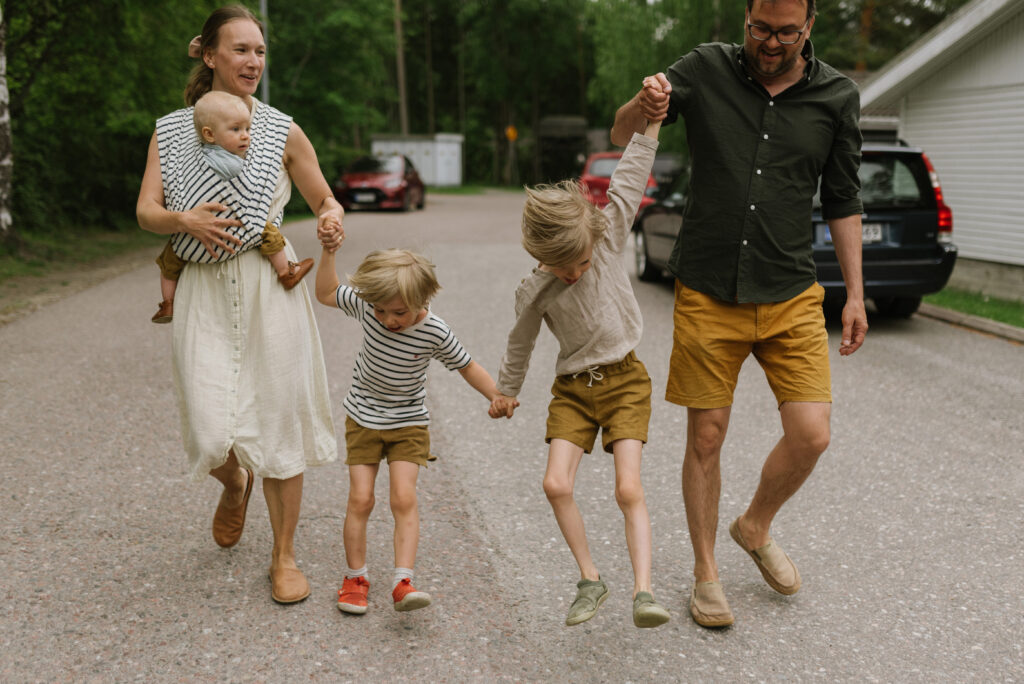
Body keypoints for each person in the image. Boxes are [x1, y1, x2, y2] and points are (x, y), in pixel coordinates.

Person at [610, 0, 868, 628]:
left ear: (808, 27)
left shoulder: (837, 97)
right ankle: (705, 574)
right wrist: (645, 104)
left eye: (785, 32)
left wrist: (856, 294)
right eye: (759, 29)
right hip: (708, 290)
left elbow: (843, 197)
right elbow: (621, 134)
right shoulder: (704, 67)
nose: (770, 43)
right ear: (745, 18)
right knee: (706, 437)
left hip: (790, 293)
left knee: (812, 434)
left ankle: (754, 525)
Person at [136, 5, 344, 605]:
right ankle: (234, 482)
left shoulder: (281, 130)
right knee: (208, 428)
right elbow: (146, 210)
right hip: (200, 289)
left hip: (266, 287)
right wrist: (181, 219)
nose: (253, 62)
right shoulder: (173, 131)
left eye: (260, 51)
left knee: (278, 419)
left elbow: (324, 197)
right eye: (240, 50)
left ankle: (284, 556)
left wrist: (330, 220)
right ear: (208, 54)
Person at [490, 120, 671, 629]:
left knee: (627, 489)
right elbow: (520, 342)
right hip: (573, 390)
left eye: (581, 263)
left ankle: (644, 593)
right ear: (539, 257)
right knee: (555, 484)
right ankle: (590, 580)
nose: (573, 273)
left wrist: (650, 125)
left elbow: (630, 178)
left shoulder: (607, 236)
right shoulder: (536, 290)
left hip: (625, 381)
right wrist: (506, 390)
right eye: (560, 266)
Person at [314, 243, 507, 614]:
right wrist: (329, 251)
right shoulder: (368, 304)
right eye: (380, 310)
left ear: (423, 299)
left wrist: (495, 395)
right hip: (364, 417)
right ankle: (355, 578)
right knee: (361, 498)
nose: (388, 320)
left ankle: (403, 582)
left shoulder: (435, 331)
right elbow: (325, 293)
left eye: (399, 312)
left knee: (403, 498)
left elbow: (467, 366)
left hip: (408, 422)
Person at [151, 90, 314, 323]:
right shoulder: (234, 162)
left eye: (248, 129)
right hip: (234, 232)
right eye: (236, 130)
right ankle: (286, 272)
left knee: (169, 260)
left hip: (190, 246)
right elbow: (246, 191)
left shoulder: (191, 157)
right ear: (209, 134)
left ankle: (167, 303)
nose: (246, 137)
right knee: (267, 232)